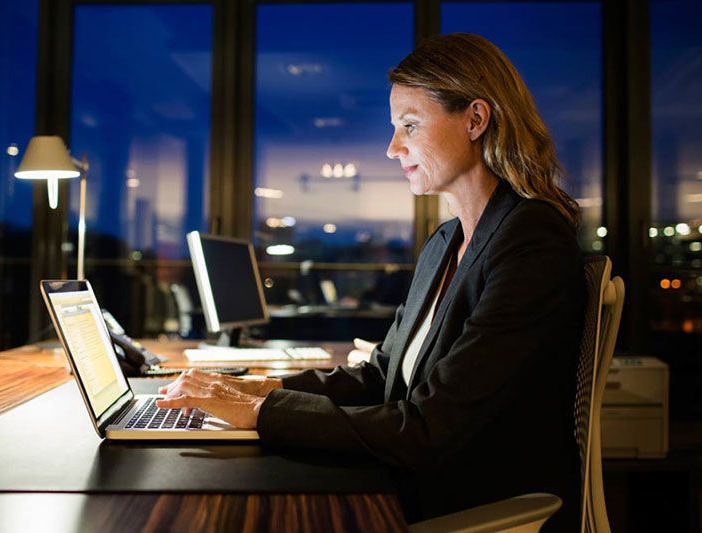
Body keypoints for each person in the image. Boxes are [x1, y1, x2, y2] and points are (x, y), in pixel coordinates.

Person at [158, 33, 585, 530]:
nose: (392, 147)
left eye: (409, 125)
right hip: (418, 476)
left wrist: (262, 411)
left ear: (475, 119)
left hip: (469, 496)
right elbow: (382, 377)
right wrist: (255, 389)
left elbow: (428, 428)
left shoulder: (531, 242)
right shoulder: (446, 241)